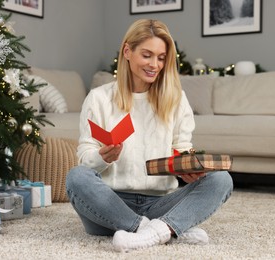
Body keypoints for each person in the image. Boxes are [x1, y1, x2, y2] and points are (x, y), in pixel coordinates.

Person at [66, 19, 233, 252]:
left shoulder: (175, 99)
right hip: (109, 206)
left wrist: (187, 167)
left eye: (161, 58)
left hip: (160, 203)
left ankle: (155, 230)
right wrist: (102, 157)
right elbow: (85, 158)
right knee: (77, 177)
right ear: (127, 51)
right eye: (147, 55)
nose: (155, 64)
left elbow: (182, 147)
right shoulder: (99, 98)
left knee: (221, 180)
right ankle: (164, 229)